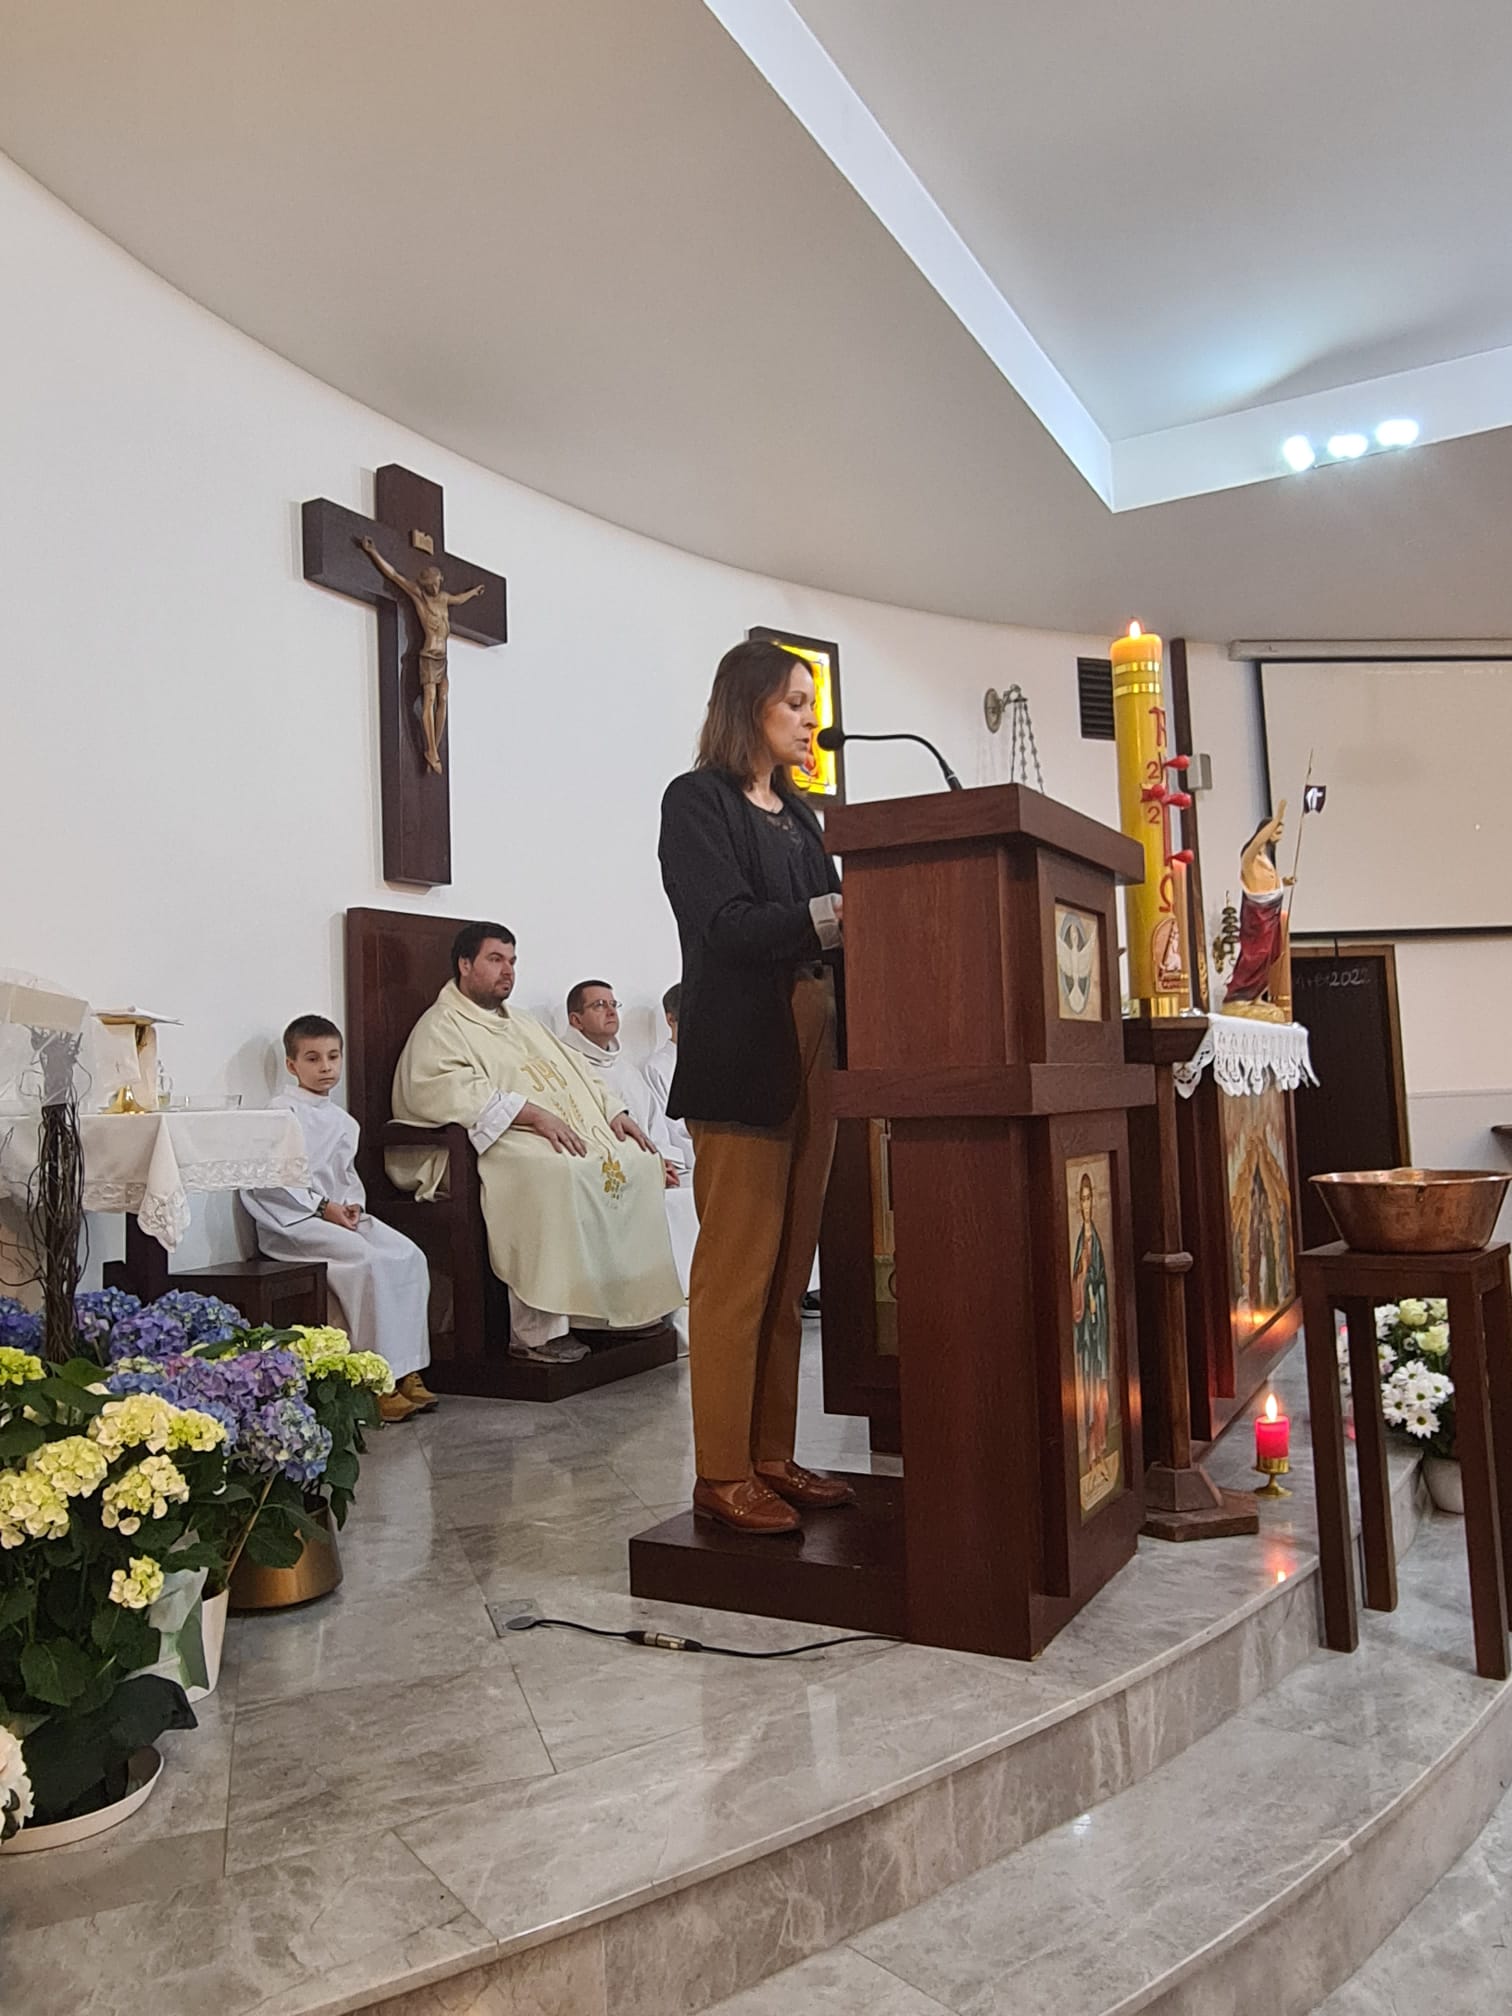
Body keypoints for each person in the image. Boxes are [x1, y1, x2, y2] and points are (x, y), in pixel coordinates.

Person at [658, 638, 851, 1534]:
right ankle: (721, 1469)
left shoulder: (802, 817)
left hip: (819, 1041)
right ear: (748, 707)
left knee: (787, 1266)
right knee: (736, 1270)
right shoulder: (697, 801)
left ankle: (772, 1452)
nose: (811, 720)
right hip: (744, 1051)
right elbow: (726, 925)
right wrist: (832, 915)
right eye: (795, 703)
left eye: (811, 705)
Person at [388, 924, 681, 1363]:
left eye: (512, 961)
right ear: (465, 965)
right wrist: (531, 1114)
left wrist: (613, 1111)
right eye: (495, 960)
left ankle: (615, 1315)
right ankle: (537, 1331)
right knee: (552, 1172)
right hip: (485, 1140)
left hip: (547, 1131)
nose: (507, 971)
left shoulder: (523, 1022)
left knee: (636, 1160)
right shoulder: (442, 1025)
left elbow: (577, 1071)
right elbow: (440, 1089)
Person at [242, 1015, 434, 1425]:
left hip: (335, 1217)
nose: (326, 1067)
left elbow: (346, 1177)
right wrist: (322, 1207)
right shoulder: (279, 1114)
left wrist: (351, 1206)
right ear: (292, 1065)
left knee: (409, 1256)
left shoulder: (344, 1121)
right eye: (312, 1058)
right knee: (368, 1261)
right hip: (292, 1223)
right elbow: (271, 1182)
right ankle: (373, 1384)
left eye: (333, 1056)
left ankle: (408, 1370)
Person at [561, 979, 699, 1327]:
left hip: (652, 1169)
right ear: (575, 1020)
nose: (610, 1011)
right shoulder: (569, 1069)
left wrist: (662, 1160)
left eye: (613, 1004)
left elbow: (654, 1128)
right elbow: (587, 1131)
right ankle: (671, 1316)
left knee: (692, 1197)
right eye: (599, 1005)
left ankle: (698, 1307)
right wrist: (649, 1167)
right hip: (611, 1175)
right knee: (672, 1206)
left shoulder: (624, 1070)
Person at [643, 984, 694, 1176]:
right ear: (670, 1019)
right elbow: (669, 1128)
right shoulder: (657, 1067)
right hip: (690, 1164)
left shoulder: (718, 1062)